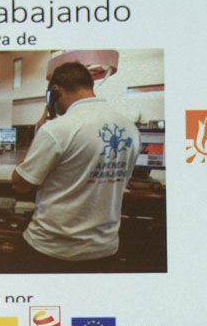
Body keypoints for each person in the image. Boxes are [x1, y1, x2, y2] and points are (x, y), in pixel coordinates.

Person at [11, 61, 141, 273]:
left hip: (53, 250)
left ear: (55, 92)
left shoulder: (56, 129)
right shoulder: (130, 128)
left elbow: (21, 184)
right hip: (105, 251)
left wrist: (38, 137)